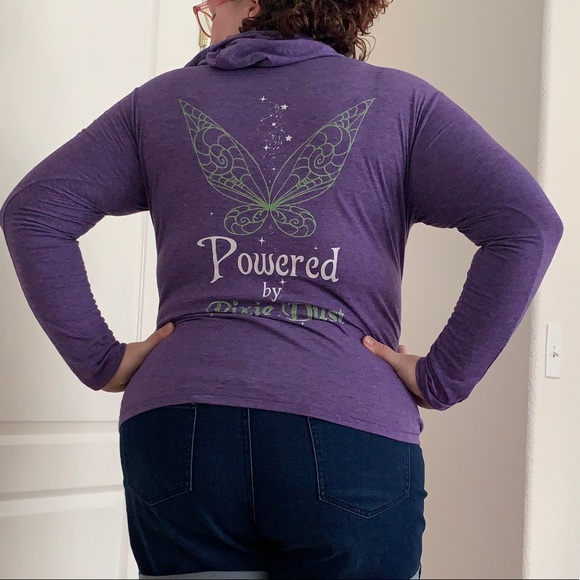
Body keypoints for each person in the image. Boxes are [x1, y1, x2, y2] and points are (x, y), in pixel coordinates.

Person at [0, 0, 564, 578]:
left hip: (182, 432)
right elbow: (527, 224)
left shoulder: (161, 102)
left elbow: (34, 212)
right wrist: (441, 378)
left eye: (211, 6)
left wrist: (102, 361)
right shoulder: (401, 103)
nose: (206, 17)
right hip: (348, 433)